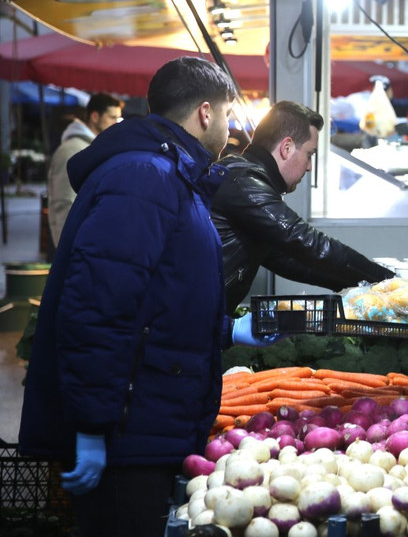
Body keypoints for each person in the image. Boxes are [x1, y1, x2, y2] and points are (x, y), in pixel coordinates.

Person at [19, 57, 279, 537]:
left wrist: (228, 330)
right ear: (205, 113)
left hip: (143, 418)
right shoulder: (146, 178)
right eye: (226, 114)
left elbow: (158, 300)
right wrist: (93, 428)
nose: (228, 126)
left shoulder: (169, 176)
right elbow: (98, 307)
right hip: (127, 429)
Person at [212, 100, 395, 314]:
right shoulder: (245, 183)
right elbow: (308, 242)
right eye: (309, 154)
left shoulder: (241, 175)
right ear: (287, 147)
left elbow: (288, 258)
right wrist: (390, 283)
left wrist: (361, 286)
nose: (309, 167)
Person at [46, 93, 124, 247]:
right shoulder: (73, 149)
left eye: (119, 119)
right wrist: (68, 249)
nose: (117, 123)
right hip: (75, 248)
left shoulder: (94, 147)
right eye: (112, 118)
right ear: (95, 116)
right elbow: (64, 203)